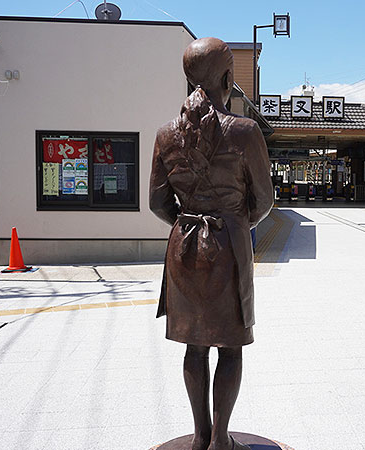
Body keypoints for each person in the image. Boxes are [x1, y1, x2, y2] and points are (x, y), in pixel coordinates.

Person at [149, 37, 273, 450]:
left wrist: (189, 223)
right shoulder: (245, 132)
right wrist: (232, 223)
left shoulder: (166, 134)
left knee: (194, 344)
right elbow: (265, 199)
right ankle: (221, 438)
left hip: (182, 249)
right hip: (230, 249)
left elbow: (157, 202)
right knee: (231, 346)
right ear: (226, 77)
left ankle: (200, 435)